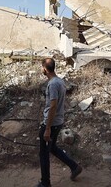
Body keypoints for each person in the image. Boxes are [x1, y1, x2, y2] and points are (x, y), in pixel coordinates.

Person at [36, 58, 82, 187]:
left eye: (42, 67)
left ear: (45, 69)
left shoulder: (53, 84)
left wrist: (47, 128)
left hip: (52, 124)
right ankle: (74, 167)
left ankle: (45, 183)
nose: (41, 69)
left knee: (44, 154)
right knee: (53, 148)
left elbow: (53, 106)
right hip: (58, 122)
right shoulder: (60, 81)